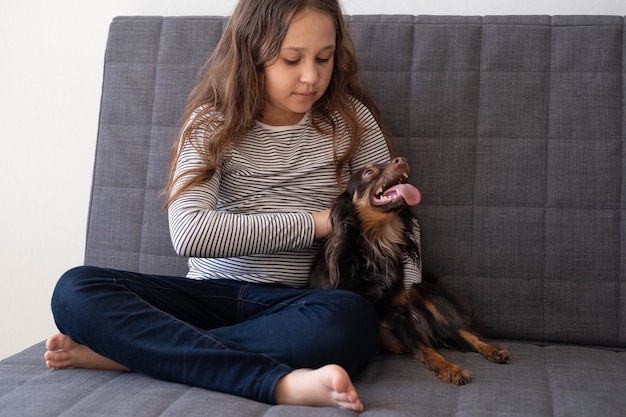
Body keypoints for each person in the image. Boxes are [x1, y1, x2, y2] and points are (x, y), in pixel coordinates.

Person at [44, 0, 421, 411]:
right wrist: (321, 222)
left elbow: (395, 212)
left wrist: (410, 296)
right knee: (74, 291)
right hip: (206, 299)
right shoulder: (211, 123)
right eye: (290, 59)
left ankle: (131, 353)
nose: (311, 76)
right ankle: (278, 383)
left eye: (324, 58)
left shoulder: (351, 121)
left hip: (294, 306)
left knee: (352, 321)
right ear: (250, 54)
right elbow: (189, 232)